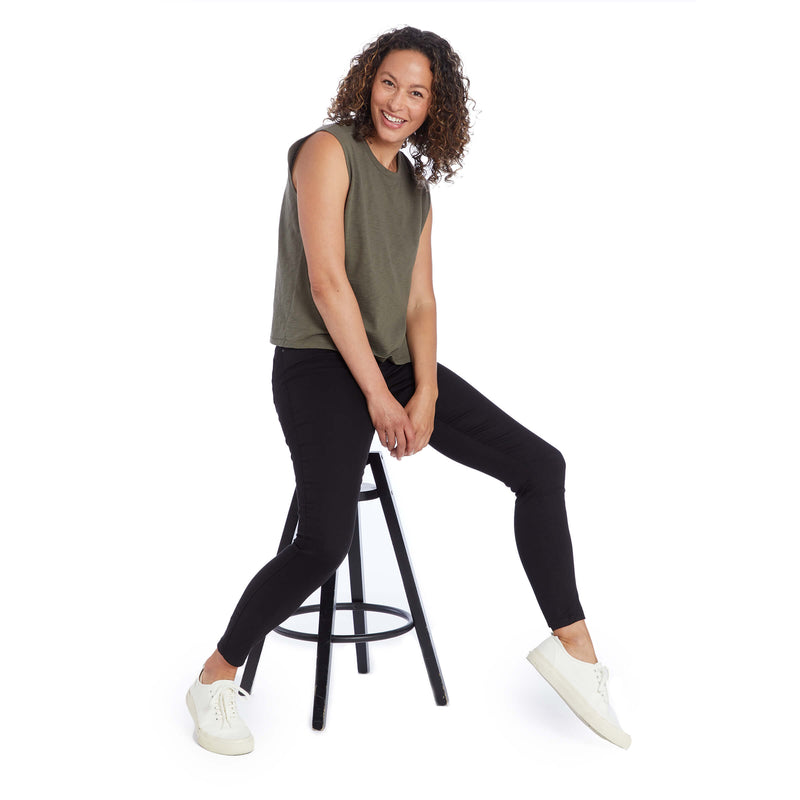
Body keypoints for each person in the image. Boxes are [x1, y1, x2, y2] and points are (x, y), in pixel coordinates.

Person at [186, 25, 631, 755]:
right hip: (316, 363)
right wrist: (380, 399)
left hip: (391, 364)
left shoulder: (415, 185)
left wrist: (422, 391)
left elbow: (421, 302)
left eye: (417, 93)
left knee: (540, 466)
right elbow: (327, 286)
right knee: (323, 542)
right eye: (389, 83)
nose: (398, 102)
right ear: (369, 81)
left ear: (434, 108)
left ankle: (574, 650)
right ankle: (215, 676)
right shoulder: (325, 151)